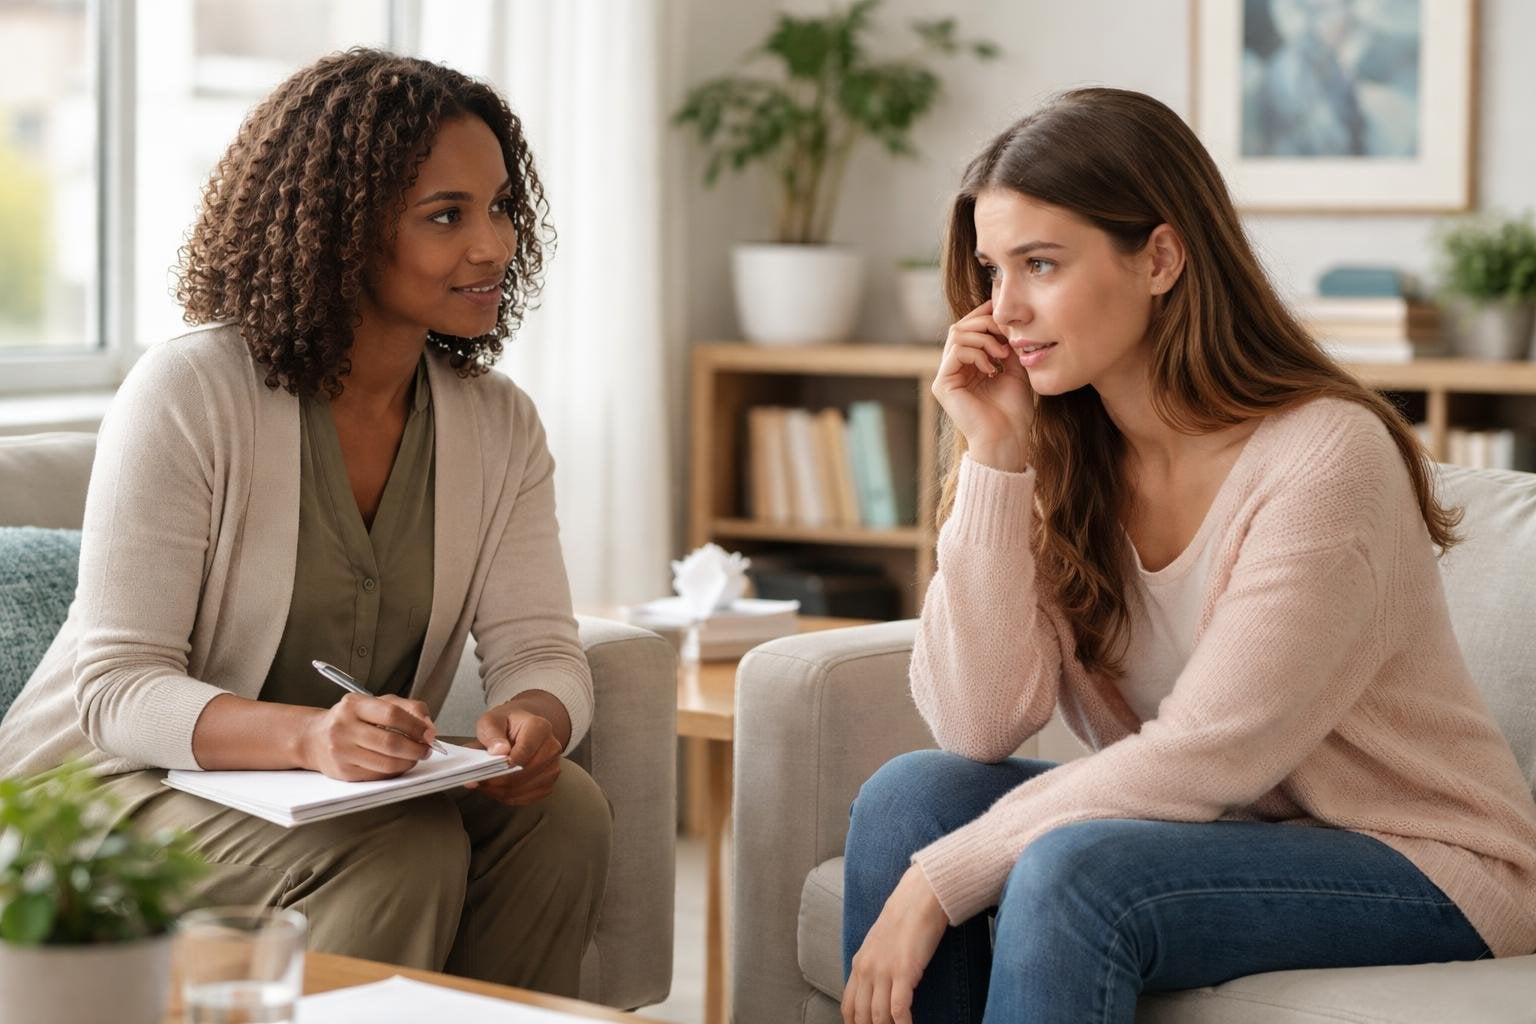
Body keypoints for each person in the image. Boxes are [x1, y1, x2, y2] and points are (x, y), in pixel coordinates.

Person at [840, 87, 1536, 1024]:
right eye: (991, 271)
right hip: (1216, 833)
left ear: (1161, 257)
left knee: (1076, 872)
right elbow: (977, 723)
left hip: (1424, 858)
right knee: (910, 798)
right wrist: (996, 465)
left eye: (1040, 264)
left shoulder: (1327, 455)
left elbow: (1212, 753)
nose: (1003, 310)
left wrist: (941, 883)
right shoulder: (1060, 449)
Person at [0, 49, 610, 997]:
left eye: (500, 208)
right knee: (398, 852)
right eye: (446, 216)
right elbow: (116, 691)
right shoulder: (191, 392)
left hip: (330, 799)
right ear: (341, 230)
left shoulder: (498, 423)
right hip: (110, 798)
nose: (491, 246)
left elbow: (540, 645)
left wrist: (536, 719)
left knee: (563, 809)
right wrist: (308, 737)